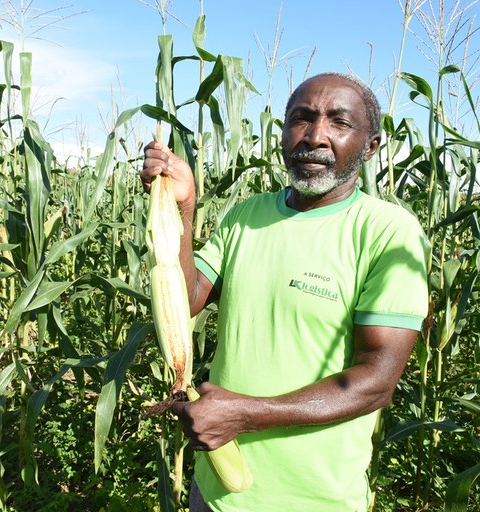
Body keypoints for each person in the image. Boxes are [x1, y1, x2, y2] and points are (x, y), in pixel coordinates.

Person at [141, 72, 429, 511]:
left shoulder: (390, 234)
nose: (315, 136)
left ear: (371, 147)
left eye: (339, 123)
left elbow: (375, 382)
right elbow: (185, 299)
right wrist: (182, 206)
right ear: (282, 133)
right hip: (217, 485)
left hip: (315, 498)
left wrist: (244, 415)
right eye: (301, 119)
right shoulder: (246, 216)